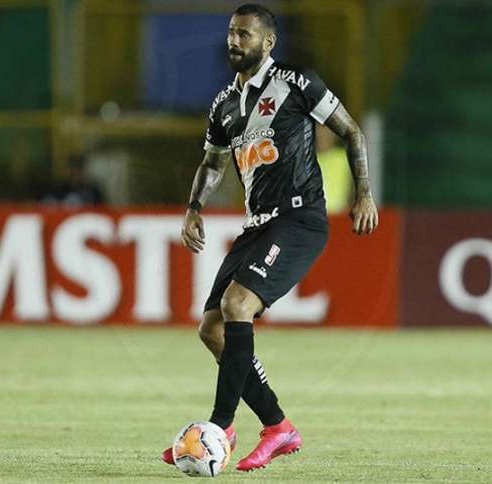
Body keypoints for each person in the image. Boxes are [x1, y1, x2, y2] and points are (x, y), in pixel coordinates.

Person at [164, 3, 378, 472]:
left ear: (268, 42)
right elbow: (212, 162)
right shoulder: (224, 104)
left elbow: (352, 132)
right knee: (212, 328)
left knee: (238, 305)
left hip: (300, 219)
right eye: (230, 32)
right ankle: (278, 427)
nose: (233, 41)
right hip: (258, 223)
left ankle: (218, 427)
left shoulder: (299, 85)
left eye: (244, 33)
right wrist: (194, 206)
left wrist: (364, 193)